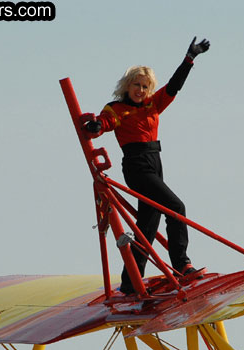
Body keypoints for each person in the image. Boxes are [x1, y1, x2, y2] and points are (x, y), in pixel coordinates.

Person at [81, 37, 210, 295]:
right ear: (127, 86)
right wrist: (96, 127)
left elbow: (173, 87)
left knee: (148, 223)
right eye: (136, 85)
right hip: (137, 165)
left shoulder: (153, 104)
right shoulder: (117, 108)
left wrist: (189, 59)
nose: (140, 90)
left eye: (144, 86)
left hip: (155, 161)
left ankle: (131, 281)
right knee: (176, 207)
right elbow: (104, 122)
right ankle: (182, 264)